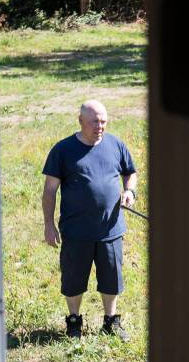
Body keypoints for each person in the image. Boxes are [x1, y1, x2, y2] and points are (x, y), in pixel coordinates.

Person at [42, 100, 138, 339]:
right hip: (76, 231)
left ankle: (110, 321)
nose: (100, 126)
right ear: (80, 121)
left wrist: (129, 191)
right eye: (94, 121)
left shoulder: (115, 144)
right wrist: (48, 224)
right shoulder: (63, 150)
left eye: (103, 121)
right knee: (73, 278)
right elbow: (49, 190)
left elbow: (130, 172)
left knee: (112, 278)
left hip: (110, 228)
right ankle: (74, 321)